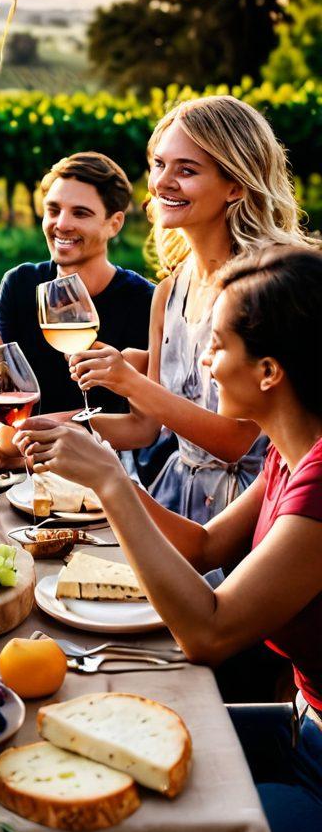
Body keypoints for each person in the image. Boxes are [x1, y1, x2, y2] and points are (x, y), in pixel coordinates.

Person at [15, 246, 322, 832]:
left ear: (269, 371)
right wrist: (106, 479)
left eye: (215, 347)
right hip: (301, 729)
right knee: (88, 748)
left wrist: (111, 483)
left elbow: (207, 633)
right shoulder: (294, 449)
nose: (202, 363)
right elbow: (206, 546)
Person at [66, 97, 311, 522]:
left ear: (236, 185)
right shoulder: (168, 291)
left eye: (187, 170)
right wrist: (48, 427)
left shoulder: (262, 292)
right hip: (175, 496)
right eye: (159, 164)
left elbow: (237, 440)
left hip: (249, 511)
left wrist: (130, 382)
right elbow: (145, 427)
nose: (163, 182)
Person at [0, 151, 155, 416]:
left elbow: (141, 418)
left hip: (107, 453)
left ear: (114, 224)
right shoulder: (20, 284)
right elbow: (8, 401)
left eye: (80, 213)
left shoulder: (144, 301)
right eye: (53, 210)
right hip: (29, 448)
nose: (62, 224)